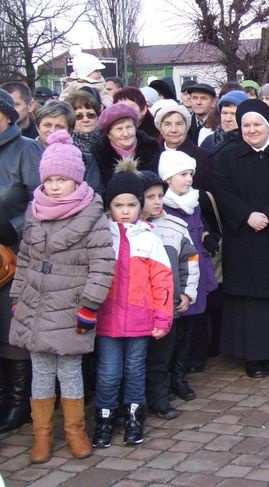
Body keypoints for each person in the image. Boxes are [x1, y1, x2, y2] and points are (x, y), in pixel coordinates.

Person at [9, 131, 114, 463]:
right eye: (49, 179)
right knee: (40, 371)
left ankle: (75, 430)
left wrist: (89, 305)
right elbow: (24, 258)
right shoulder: (35, 211)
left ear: (76, 179)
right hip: (36, 306)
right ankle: (42, 435)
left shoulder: (91, 215)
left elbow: (102, 265)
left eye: (62, 179)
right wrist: (17, 295)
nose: (54, 185)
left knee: (69, 371)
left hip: (70, 307)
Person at [213, 99, 269, 379]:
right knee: (247, 300)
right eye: (246, 125)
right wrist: (246, 216)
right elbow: (222, 191)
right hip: (243, 238)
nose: (252, 130)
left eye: (257, 124)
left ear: (267, 126)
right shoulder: (226, 157)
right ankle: (251, 356)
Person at [92, 159, 173, 449]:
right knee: (109, 372)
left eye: (130, 205)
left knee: (136, 370)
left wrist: (162, 318)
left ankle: (134, 416)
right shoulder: (101, 238)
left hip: (140, 320)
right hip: (108, 320)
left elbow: (162, 282)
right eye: (118, 205)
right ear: (109, 208)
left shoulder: (150, 239)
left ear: (140, 206)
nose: (125, 211)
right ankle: (104, 418)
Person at [158, 151, 217, 400]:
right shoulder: (164, 207)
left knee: (190, 329)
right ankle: (167, 377)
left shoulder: (193, 202)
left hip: (197, 271)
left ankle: (180, 377)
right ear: (169, 177)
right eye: (183, 174)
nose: (189, 179)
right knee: (173, 330)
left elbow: (199, 228)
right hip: (176, 273)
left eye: (191, 173)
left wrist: (206, 237)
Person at [140, 170, 199, 419]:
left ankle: (160, 400)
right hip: (137, 305)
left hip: (167, 306)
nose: (156, 201)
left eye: (160, 196)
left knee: (161, 358)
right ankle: (135, 402)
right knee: (136, 358)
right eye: (149, 197)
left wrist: (187, 293)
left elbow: (190, 260)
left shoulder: (175, 227)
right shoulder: (123, 228)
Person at [0, 89, 41, 435]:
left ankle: (18, 404)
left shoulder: (26, 149)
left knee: (10, 329)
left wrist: (11, 227)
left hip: (13, 254)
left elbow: (41, 200)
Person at [35, 98, 103, 194]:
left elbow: (94, 193)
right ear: (38, 127)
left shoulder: (84, 160)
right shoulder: (25, 154)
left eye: (60, 127)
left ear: (70, 131)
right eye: (47, 125)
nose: (53, 130)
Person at [93, 103, 160, 188]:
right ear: (109, 135)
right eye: (119, 129)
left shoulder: (152, 148)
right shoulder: (98, 155)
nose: (125, 134)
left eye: (129, 127)